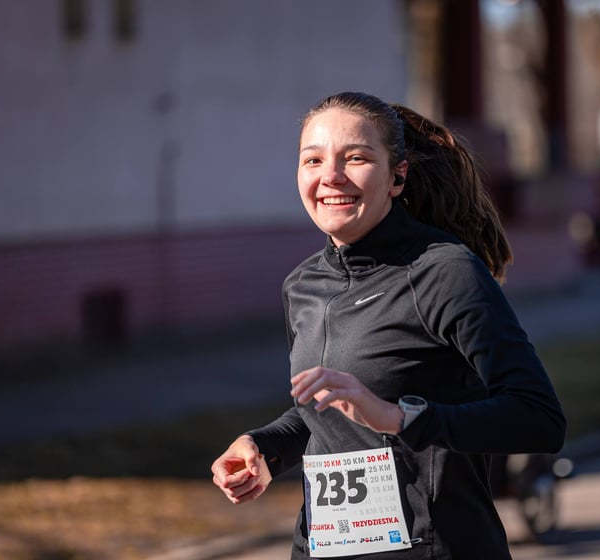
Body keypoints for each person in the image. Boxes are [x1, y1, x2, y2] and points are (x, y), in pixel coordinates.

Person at [210, 91, 566, 559]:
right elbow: (328, 411)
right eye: (312, 160)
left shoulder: (443, 272)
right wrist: (263, 447)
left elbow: (538, 419)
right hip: (323, 549)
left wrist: (401, 418)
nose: (330, 176)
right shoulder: (303, 286)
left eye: (355, 158)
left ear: (397, 176)